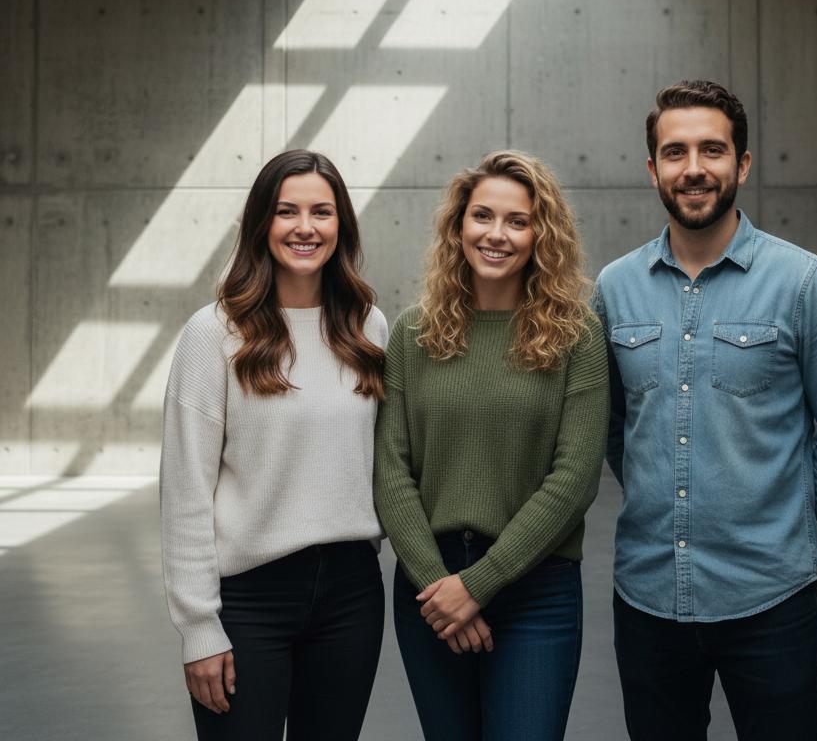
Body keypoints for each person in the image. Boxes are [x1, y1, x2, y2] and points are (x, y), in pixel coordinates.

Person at [592, 81, 817, 741]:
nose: (693, 168)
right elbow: (613, 425)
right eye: (675, 152)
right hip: (648, 597)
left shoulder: (806, 283)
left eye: (712, 150)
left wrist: (802, 525)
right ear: (653, 169)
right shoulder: (615, 287)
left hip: (770, 600)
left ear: (742, 164)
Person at [374, 150, 610, 741]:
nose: (496, 234)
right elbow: (391, 470)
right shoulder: (414, 333)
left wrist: (476, 586)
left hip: (536, 587)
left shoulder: (577, 337)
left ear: (541, 235)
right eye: (482, 216)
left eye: (518, 221)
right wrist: (440, 589)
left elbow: (575, 478)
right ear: (458, 226)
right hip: (429, 584)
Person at [160, 149, 388, 741]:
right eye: (287, 211)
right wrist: (198, 627)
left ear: (343, 225)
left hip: (351, 594)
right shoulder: (212, 334)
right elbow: (185, 492)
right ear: (261, 223)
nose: (305, 228)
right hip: (247, 601)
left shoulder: (369, 329)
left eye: (322, 211)